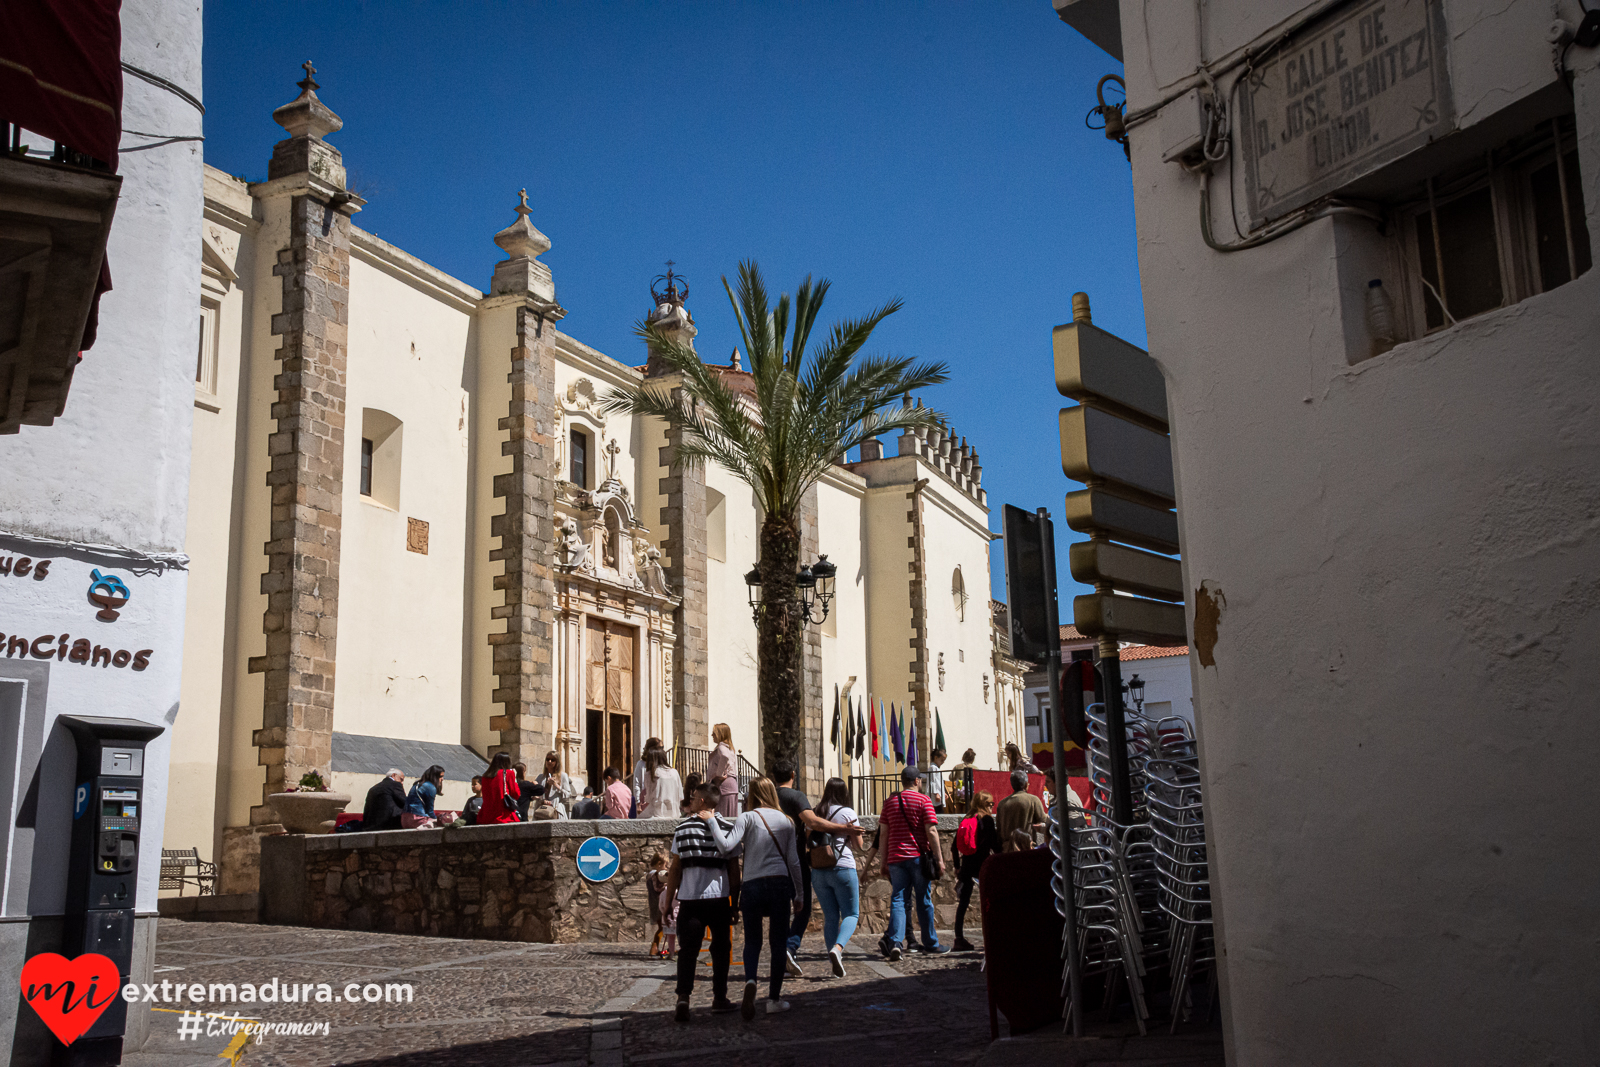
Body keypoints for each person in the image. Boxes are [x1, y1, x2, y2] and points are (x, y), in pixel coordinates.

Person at [701, 777, 802, 1019]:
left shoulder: (747, 817)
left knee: (753, 942)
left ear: (752, 795)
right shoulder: (787, 821)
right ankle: (774, 999)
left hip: (753, 885)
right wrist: (799, 893)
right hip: (779, 884)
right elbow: (794, 862)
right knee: (778, 943)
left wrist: (712, 821)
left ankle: (750, 982)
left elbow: (726, 847)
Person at [770, 759, 861, 977]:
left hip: (774, 861)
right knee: (823, 910)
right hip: (805, 861)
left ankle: (782, 953)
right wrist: (845, 829)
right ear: (793, 773)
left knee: (814, 914)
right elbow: (813, 825)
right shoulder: (797, 797)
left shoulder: (769, 797)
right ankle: (804, 948)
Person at [667, 782, 741, 1023]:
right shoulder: (728, 828)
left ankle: (683, 998)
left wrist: (669, 901)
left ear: (701, 802)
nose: (691, 798)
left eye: (694, 796)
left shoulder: (683, 829)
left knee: (687, 951)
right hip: (718, 898)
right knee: (721, 950)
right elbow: (733, 871)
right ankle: (720, 998)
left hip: (690, 898)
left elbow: (675, 869)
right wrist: (734, 903)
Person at [877, 766, 948, 959]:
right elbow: (931, 831)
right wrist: (939, 859)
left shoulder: (889, 802)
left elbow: (883, 833)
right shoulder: (924, 800)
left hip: (895, 858)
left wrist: (883, 862)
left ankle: (896, 942)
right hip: (917, 857)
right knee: (924, 900)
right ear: (916, 781)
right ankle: (930, 943)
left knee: (898, 899)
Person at [809, 776, 863, 977]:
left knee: (830, 916)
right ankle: (838, 949)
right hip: (843, 866)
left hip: (819, 869)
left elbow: (809, 838)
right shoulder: (847, 812)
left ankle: (834, 957)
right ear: (844, 793)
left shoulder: (815, 813)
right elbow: (859, 845)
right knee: (851, 914)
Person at [952, 790, 1001, 952]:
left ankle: (958, 938)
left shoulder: (967, 818)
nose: (992, 807)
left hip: (967, 865)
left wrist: (957, 866)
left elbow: (953, 846)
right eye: (991, 804)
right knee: (989, 901)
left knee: (963, 903)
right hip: (983, 866)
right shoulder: (986, 820)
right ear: (985, 805)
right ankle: (992, 936)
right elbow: (994, 844)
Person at [996, 769, 1047, 851]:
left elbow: (999, 830)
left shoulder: (1002, 804)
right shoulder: (1033, 800)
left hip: (1007, 850)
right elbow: (1043, 821)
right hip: (1027, 849)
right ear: (1026, 784)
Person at [646, 850, 677, 959]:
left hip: (654, 905)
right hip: (660, 905)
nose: (666, 868)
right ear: (659, 864)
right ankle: (654, 948)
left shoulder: (649, 875)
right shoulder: (656, 874)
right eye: (665, 865)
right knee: (663, 928)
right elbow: (659, 885)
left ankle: (660, 948)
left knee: (662, 927)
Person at [640, 744, 684, 819]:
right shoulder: (674, 772)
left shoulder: (651, 773)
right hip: (674, 812)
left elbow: (648, 797)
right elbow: (680, 795)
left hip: (657, 812)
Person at [706, 723, 740, 817]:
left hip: (723, 786)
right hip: (731, 784)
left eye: (714, 733)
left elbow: (725, 756)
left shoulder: (722, 747)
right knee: (731, 816)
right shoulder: (730, 748)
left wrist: (719, 774)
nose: (712, 735)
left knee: (722, 816)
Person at [480, 752, 523, 825]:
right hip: (503, 816)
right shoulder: (509, 773)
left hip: (486, 816)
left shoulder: (485, 776)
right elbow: (516, 794)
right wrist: (515, 779)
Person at [402, 764, 445, 829]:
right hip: (417, 818)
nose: (442, 779)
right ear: (435, 777)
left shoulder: (417, 784)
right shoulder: (430, 787)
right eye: (441, 777)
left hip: (404, 818)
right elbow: (430, 810)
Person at [536, 751, 576, 817]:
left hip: (556, 809)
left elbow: (568, 794)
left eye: (552, 760)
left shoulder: (563, 776)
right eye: (548, 759)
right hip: (541, 810)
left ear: (557, 762)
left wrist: (556, 785)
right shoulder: (541, 777)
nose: (549, 761)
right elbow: (535, 794)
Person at [634, 737, 663, 818]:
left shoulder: (661, 765)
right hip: (645, 802)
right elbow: (637, 784)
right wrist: (638, 802)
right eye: (659, 748)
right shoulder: (641, 764)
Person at [926, 747, 949, 812]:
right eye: (942, 760)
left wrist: (943, 792)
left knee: (939, 810)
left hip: (938, 794)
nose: (943, 762)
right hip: (935, 795)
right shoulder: (933, 768)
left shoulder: (936, 768)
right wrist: (936, 793)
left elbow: (938, 782)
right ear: (936, 758)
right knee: (938, 810)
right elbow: (933, 781)